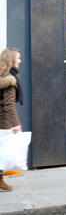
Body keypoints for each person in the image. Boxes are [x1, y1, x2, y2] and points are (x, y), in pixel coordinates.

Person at [0, 48, 23, 191]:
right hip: (3, 121)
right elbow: (8, 105)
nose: (20, 60)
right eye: (18, 58)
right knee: (2, 153)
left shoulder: (2, 75)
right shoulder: (10, 79)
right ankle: (0, 181)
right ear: (12, 60)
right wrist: (16, 125)